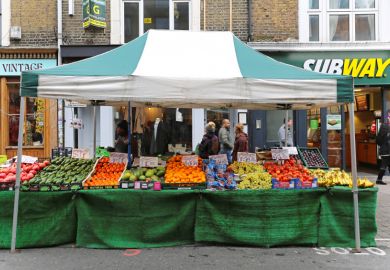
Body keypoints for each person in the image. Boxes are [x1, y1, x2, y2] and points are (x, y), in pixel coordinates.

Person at [376, 119, 390, 185]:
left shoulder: (379, 134)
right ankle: (379, 179)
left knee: (385, 165)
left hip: (383, 151)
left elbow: (378, 143)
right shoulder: (388, 134)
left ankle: (379, 179)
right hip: (387, 151)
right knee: (384, 166)